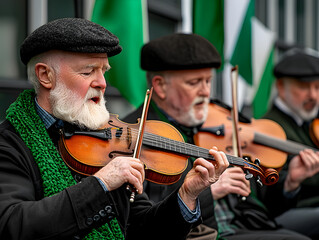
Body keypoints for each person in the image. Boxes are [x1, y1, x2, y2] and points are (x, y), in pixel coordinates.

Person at [0, 18, 230, 240]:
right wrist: (100, 184)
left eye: (103, 71)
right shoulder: (9, 143)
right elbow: (12, 225)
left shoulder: (105, 139)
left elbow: (143, 230)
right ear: (45, 76)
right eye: (88, 71)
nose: (102, 83)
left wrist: (186, 195)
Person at [123, 33, 311, 240]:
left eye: (208, 81)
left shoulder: (214, 124)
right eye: (194, 82)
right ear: (160, 86)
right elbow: (142, 217)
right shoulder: (135, 135)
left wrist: (290, 183)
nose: (205, 92)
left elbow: (258, 205)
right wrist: (209, 193)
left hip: (245, 226)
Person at [263, 48, 319, 239]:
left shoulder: (312, 122)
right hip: (286, 213)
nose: (313, 95)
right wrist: (291, 183)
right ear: (280, 86)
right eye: (304, 87)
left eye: (318, 87)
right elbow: (266, 196)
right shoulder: (268, 128)